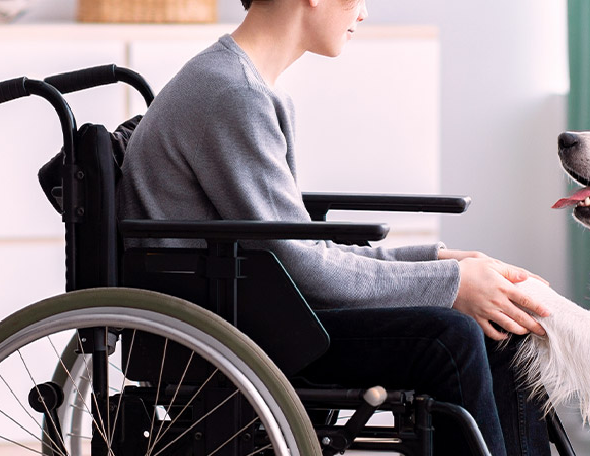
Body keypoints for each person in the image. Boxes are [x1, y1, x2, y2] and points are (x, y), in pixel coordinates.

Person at [116, 0, 557, 454]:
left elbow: (304, 252)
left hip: (253, 305)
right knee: (456, 336)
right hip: (230, 328)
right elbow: (307, 270)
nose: (363, 13)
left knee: (498, 325)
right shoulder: (232, 93)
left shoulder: (238, 83)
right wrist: (452, 285)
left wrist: (443, 261)